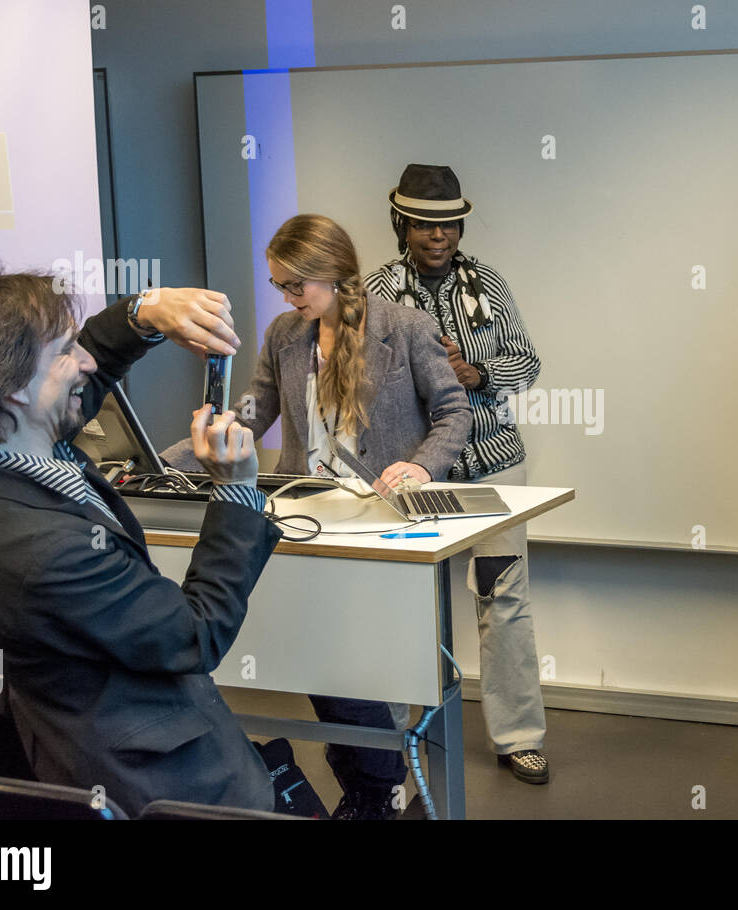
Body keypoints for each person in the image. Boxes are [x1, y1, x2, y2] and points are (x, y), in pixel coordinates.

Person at [0, 269, 282, 816]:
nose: (85, 361)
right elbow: (195, 634)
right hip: (154, 778)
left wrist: (144, 313)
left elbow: (77, 387)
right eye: (65, 351)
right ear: (11, 390)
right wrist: (235, 490)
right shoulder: (44, 552)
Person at [164, 213, 472, 817]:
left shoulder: (404, 327)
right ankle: (371, 786)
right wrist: (173, 458)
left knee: (374, 665)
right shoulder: (285, 334)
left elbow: (454, 411)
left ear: (329, 275)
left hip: (384, 521)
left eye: (293, 286)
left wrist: (422, 467)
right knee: (327, 659)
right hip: (313, 520)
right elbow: (253, 413)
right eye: (278, 285)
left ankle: (385, 783)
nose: (284, 297)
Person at [363, 164, 549, 785]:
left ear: (459, 225)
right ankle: (390, 746)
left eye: (446, 223)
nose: (436, 235)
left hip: (495, 467)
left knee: (504, 598)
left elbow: (528, 361)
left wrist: (480, 374)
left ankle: (519, 736)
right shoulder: (379, 291)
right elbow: (362, 378)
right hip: (418, 471)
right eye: (422, 223)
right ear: (402, 224)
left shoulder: (489, 283)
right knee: (405, 603)